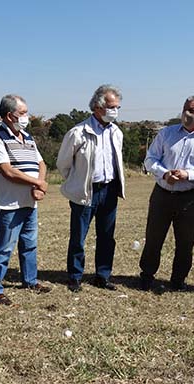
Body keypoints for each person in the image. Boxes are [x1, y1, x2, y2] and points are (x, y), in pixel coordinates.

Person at [140, 95, 194, 291]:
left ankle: (178, 280)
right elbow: (150, 159)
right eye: (185, 108)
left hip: (189, 198)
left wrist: (188, 175)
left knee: (185, 242)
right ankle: (146, 275)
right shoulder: (166, 133)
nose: (186, 114)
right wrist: (164, 173)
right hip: (162, 194)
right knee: (153, 238)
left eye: (192, 110)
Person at [56, 85, 126, 292]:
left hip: (109, 190)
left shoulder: (116, 132)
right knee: (78, 237)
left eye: (118, 107)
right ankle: (75, 276)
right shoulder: (78, 132)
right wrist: (77, 181)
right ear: (97, 107)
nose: (115, 111)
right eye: (112, 107)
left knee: (106, 236)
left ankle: (102, 276)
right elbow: (63, 164)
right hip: (86, 191)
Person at [0, 94, 51, 306]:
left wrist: (39, 184)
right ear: (8, 116)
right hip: (10, 204)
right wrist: (36, 183)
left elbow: (41, 163)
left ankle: (30, 280)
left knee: (29, 244)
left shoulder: (28, 137)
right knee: (4, 247)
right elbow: (7, 171)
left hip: (30, 202)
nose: (26, 117)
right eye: (22, 113)